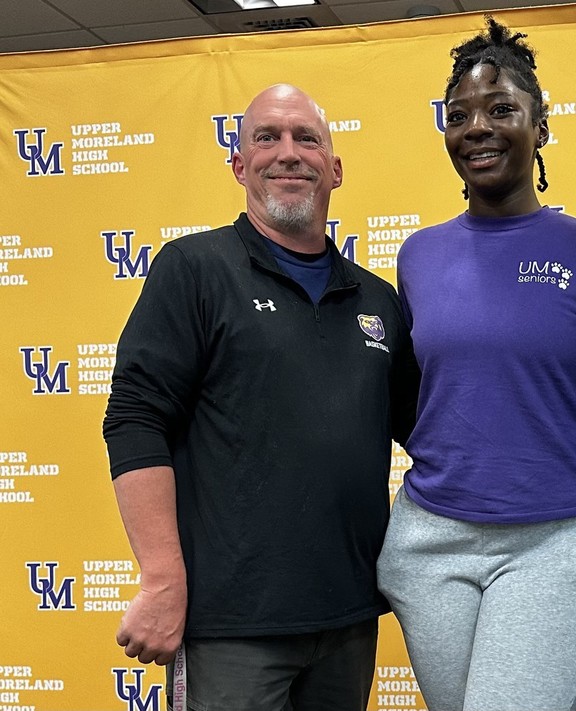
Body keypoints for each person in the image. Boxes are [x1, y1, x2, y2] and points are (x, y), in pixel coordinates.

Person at [103, 83, 418, 711]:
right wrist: (163, 580)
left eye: (307, 138)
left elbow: (433, 432)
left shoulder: (378, 300)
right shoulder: (195, 269)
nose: (288, 153)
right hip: (231, 625)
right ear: (240, 166)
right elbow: (135, 420)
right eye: (266, 138)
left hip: (349, 617)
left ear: (335, 169)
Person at [375, 18, 576, 711]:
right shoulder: (417, 256)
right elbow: (419, 399)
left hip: (554, 540)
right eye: (459, 115)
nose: (477, 127)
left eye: (502, 110)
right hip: (430, 538)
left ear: (541, 126)